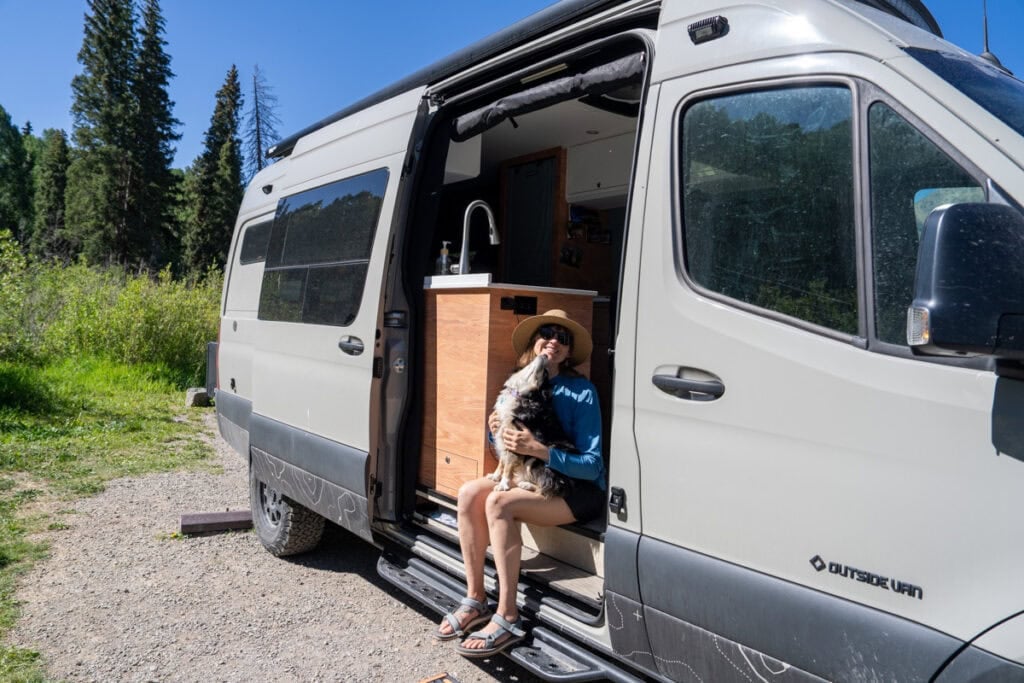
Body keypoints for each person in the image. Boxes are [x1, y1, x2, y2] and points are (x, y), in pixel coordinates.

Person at [434, 309, 606, 657]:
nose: (554, 341)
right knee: (468, 494)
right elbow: (505, 452)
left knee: (498, 503)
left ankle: (508, 615)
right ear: (534, 343)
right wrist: (494, 429)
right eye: (547, 332)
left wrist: (541, 451)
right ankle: (476, 598)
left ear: (569, 352)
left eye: (563, 337)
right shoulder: (518, 382)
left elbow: (592, 465)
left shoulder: (581, 391)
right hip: (532, 477)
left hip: (576, 489)